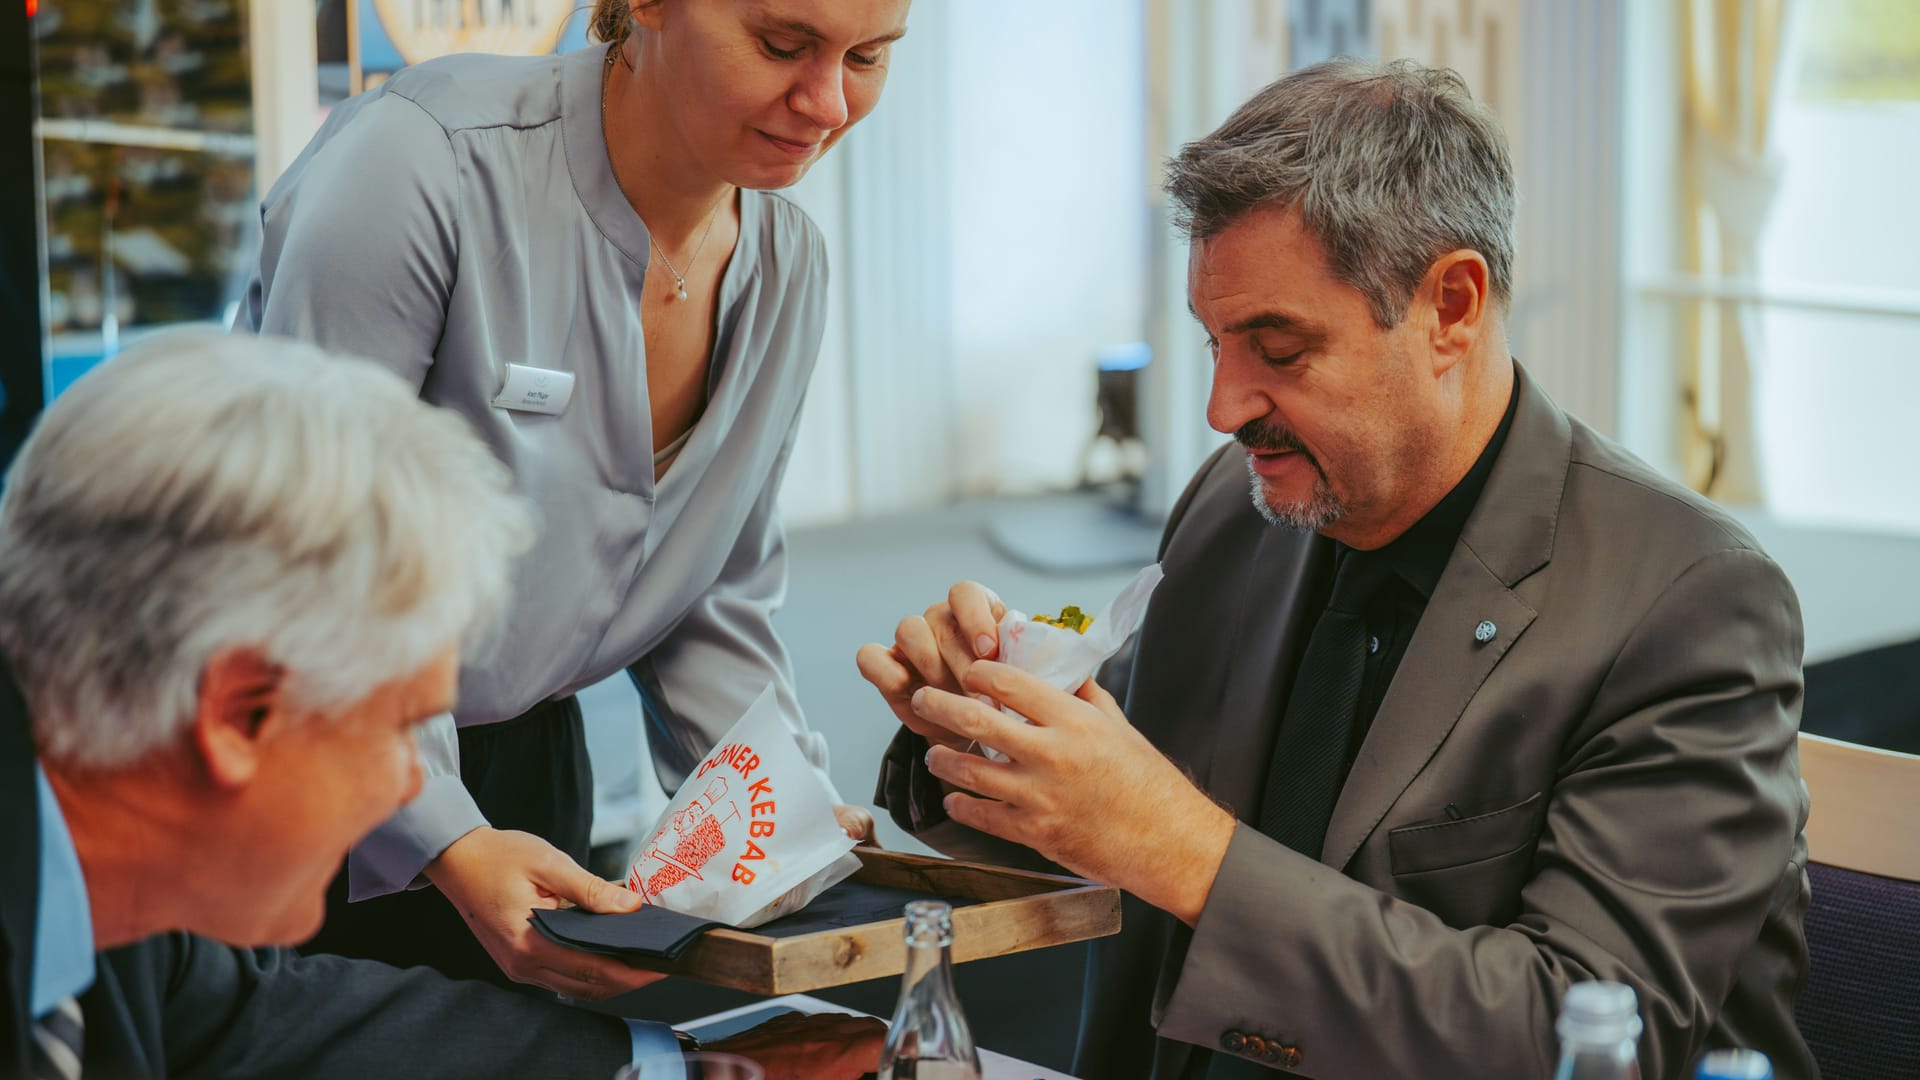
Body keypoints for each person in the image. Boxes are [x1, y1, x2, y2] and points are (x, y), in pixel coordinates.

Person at [862, 59, 1815, 1080]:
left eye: (1280, 348)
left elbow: (1575, 1031)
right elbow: (1107, 824)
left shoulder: (1686, 600)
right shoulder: (1236, 513)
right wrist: (984, 732)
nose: (1225, 408)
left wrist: (1186, 851)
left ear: (1452, 305)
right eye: (1216, 343)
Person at [241, 0, 908, 996]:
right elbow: (312, 551)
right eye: (781, 45)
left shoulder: (789, 268)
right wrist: (446, 838)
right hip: (284, 754)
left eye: (866, 57)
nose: (825, 102)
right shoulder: (425, 162)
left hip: (527, 765)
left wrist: (777, 805)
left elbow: (711, 594)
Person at [0, 330, 882, 1080]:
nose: (403, 793)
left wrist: (687, 1069)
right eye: (393, 730)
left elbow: (257, 1024)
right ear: (239, 715)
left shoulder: (125, 902)